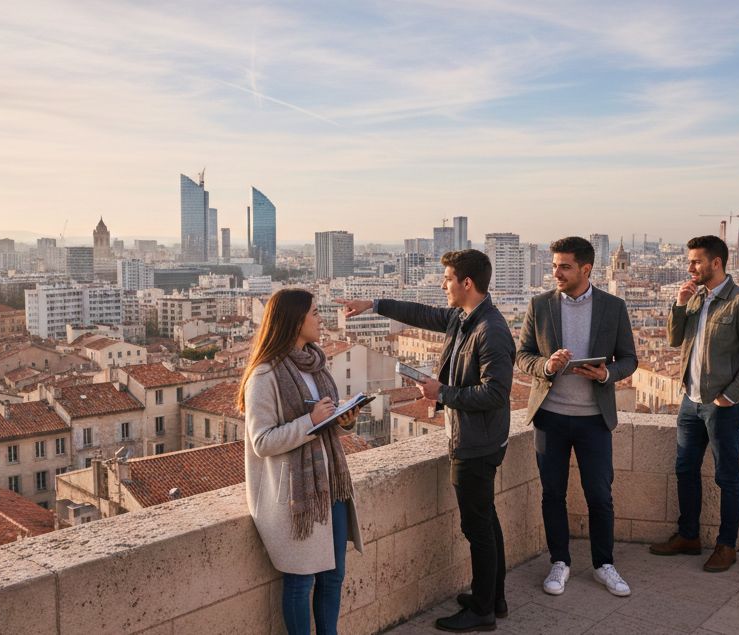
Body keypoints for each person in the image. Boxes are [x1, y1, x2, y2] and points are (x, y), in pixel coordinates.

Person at [340, 249, 515, 633]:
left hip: (477, 444)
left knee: (477, 527)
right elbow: (420, 313)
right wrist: (373, 303)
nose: (443, 285)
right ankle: (494, 598)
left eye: (448, 279)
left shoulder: (491, 331)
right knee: (486, 521)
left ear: (467, 283)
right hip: (475, 439)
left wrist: (442, 392)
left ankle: (483, 609)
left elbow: (496, 394)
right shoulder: (465, 318)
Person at [516, 236, 638, 598]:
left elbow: (629, 359)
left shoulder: (613, 307)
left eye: (564, 266)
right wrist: (546, 365)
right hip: (550, 417)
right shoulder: (539, 305)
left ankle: (604, 564)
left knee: (599, 494)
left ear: (586, 269)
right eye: (554, 265)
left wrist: (605, 375)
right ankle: (560, 562)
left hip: (593, 419)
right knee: (552, 493)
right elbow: (523, 355)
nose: (556, 272)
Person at [238, 288, 363, 635]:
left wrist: (343, 419)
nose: (320, 318)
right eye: (314, 312)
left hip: (330, 486)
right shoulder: (265, 375)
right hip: (296, 497)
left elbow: (324, 428)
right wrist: (308, 421)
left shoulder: (317, 365)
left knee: (334, 575)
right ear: (295, 321)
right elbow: (262, 441)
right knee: (300, 581)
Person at [650, 235, 739, 572]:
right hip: (691, 401)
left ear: (716, 263)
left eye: (696, 261)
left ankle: (726, 546)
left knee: (726, 476)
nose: (690, 267)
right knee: (685, 469)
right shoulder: (696, 298)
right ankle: (688, 536)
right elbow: (675, 341)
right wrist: (679, 304)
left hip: (722, 406)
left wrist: (730, 396)